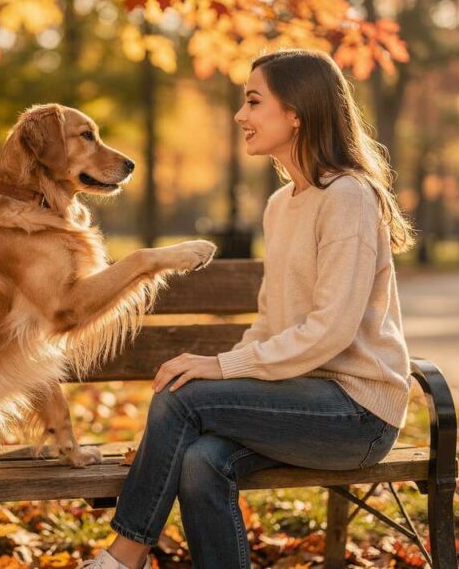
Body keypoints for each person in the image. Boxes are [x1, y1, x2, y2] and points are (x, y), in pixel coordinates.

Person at [79, 48, 417, 569]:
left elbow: (331, 331)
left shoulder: (349, 196)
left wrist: (217, 370)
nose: (241, 115)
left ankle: (124, 557)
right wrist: (227, 375)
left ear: (296, 113)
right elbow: (269, 321)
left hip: (357, 413)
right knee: (200, 460)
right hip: (297, 402)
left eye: (253, 101)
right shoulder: (281, 206)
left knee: (183, 396)